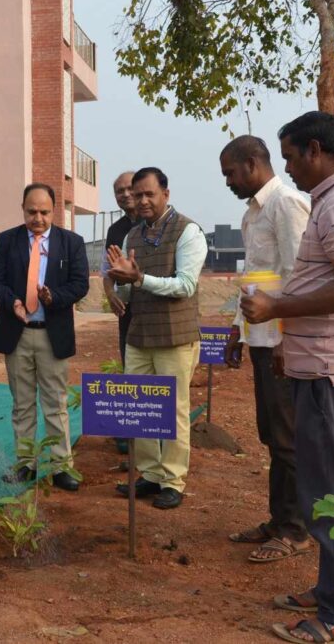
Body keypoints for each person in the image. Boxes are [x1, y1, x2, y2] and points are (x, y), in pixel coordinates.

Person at [241, 111, 334, 644]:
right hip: (328, 365)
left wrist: (277, 307)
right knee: (327, 490)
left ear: (315, 150)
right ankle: (333, 590)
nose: (288, 168)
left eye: (289, 157)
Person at [220, 136, 311, 562]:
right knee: (273, 435)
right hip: (261, 339)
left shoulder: (286, 204)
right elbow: (256, 279)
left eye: (230, 173)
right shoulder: (252, 213)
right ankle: (279, 520)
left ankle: (295, 530)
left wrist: (288, 339)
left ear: (252, 163)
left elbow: (299, 277)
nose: (228, 182)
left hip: (282, 344)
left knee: (288, 438)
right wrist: (237, 331)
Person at [107, 167, 207, 511]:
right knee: (140, 407)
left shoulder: (188, 231)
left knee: (174, 410)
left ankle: (173, 480)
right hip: (139, 336)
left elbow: (185, 286)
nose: (142, 200)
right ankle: (149, 474)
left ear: (166, 193)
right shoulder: (132, 236)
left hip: (175, 337)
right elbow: (128, 288)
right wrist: (118, 285)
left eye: (149, 194)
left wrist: (139, 278)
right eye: (138, 195)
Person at [0, 183, 89, 490]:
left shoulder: (71, 243)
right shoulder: (6, 240)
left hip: (52, 335)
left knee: (55, 403)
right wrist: (14, 303)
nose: (38, 218)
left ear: (54, 211)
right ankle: (25, 465)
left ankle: (61, 467)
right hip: (17, 333)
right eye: (32, 212)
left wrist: (54, 297)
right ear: (22, 208)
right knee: (22, 404)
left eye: (44, 212)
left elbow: (80, 284)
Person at [101, 171, 136, 363]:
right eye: (120, 191)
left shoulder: (156, 224)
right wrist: (110, 294)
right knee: (130, 366)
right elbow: (107, 270)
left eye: (130, 188)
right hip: (127, 313)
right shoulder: (115, 230)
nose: (126, 194)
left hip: (156, 311)